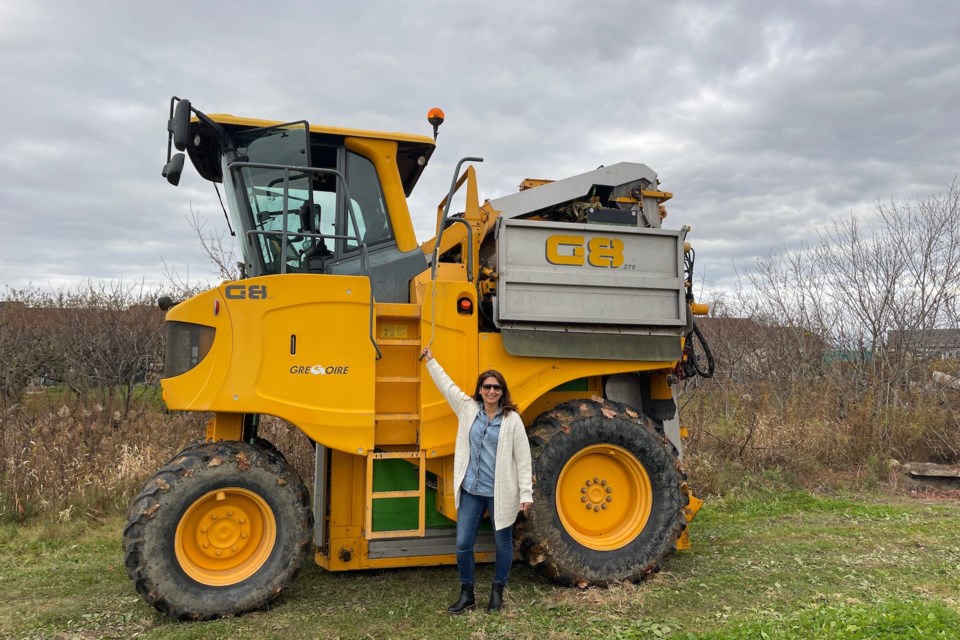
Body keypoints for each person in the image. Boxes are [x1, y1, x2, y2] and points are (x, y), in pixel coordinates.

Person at [421, 346, 533, 614]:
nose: (491, 392)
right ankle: (467, 594)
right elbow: (447, 386)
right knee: (462, 544)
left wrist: (526, 493)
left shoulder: (512, 420)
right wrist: (430, 361)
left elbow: (523, 458)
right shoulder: (468, 409)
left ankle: (497, 592)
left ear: (502, 392)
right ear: (480, 390)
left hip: (500, 492)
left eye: (496, 388)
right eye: (486, 387)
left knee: (503, 542)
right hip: (471, 489)